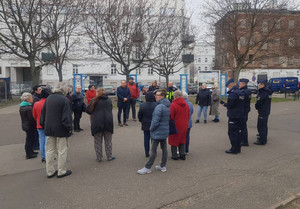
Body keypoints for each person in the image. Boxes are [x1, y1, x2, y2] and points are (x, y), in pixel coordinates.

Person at [40, 83, 73, 178]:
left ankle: (50, 171)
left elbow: (43, 114)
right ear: (64, 90)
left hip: (49, 128)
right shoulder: (64, 100)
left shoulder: (49, 98)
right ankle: (61, 171)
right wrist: (69, 128)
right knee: (62, 150)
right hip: (61, 129)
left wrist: (43, 124)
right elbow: (67, 117)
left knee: (50, 150)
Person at [137, 89, 170, 175]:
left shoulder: (159, 107)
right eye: (156, 95)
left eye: (158, 95)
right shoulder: (167, 105)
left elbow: (155, 121)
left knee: (153, 150)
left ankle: (147, 167)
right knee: (164, 148)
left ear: (162, 96)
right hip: (164, 130)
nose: (156, 96)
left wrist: (151, 129)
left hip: (158, 131)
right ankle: (163, 166)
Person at [86, 87, 115, 162]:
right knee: (108, 141)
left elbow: (88, 110)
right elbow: (110, 109)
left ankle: (99, 157)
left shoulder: (94, 100)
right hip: (108, 121)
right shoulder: (109, 100)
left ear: (97, 92)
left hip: (97, 122)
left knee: (97, 141)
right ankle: (109, 156)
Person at [221, 79, 245, 154]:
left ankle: (234, 148)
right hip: (240, 115)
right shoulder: (241, 92)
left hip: (234, 115)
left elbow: (231, 105)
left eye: (228, 86)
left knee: (232, 132)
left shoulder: (233, 93)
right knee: (238, 132)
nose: (228, 88)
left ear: (231, 85)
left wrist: (225, 104)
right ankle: (238, 148)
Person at [168, 91, 190, 160]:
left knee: (174, 140)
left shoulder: (173, 105)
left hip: (175, 125)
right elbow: (188, 115)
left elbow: (171, 116)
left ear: (175, 96)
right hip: (184, 124)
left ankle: (174, 155)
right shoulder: (186, 104)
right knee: (182, 140)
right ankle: (182, 154)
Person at [138, 93, 157, 157]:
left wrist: (142, 121)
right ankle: (153, 151)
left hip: (145, 123)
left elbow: (139, 116)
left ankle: (146, 152)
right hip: (154, 124)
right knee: (153, 139)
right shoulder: (156, 105)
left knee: (146, 138)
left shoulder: (142, 105)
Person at [33, 89, 49, 162]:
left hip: (39, 124)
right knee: (48, 141)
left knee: (42, 141)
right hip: (48, 124)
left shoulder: (36, 104)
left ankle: (43, 156)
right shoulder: (49, 103)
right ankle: (48, 155)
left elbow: (34, 115)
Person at [254, 79, 272, 145]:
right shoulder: (267, 91)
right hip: (266, 110)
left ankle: (262, 140)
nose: (258, 86)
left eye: (259, 84)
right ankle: (263, 137)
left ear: (262, 85)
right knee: (264, 125)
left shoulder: (263, 93)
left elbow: (259, 102)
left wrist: (256, 107)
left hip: (263, 111)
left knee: (261, 126)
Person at [19, 93, 37, 159]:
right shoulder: (29, 108)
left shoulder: (22, 106)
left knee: (30, 139)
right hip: (29, 126)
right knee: (29, 139)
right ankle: (29, 154)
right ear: (27, 99)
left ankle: (31, 151)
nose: (32, 99)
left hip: (26, 125)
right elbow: (31, 119)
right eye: (31, 98)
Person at [239, 79, 252, 146]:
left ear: (244, 84)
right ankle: (243, 139)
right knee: (243, 125)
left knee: (242, 126)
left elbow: (241, 102)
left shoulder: (243, 91)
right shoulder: (248, 91)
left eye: (240, 83)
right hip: (245, 109)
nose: (239, 85)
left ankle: (244, 141)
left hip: (242, 110)